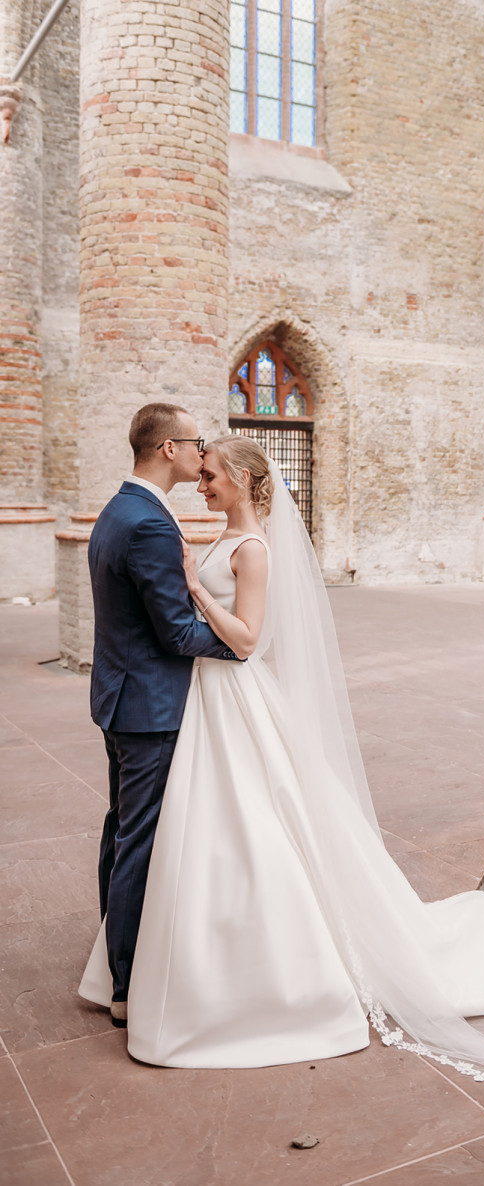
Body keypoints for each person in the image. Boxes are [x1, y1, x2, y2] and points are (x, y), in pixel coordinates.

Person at [80, 436, 484, 1105]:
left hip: (232, 695)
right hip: (207, 706)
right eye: (200, 475)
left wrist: (191, 593)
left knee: (253, 828)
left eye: (208, 476)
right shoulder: (217, 540)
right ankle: (191, 965)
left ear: (239, 478)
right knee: (210, 831)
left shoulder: (254, 550)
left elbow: (247, 641)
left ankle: (275, 981)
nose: (200, 485)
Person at [86, 404, 240, 1029]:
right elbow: (178, 633)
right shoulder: (149, 523)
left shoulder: (119, 508)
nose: (200, 454)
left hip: (120, 697)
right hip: (150, 706)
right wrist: (239, 644)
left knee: (121, 830)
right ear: (170, 448)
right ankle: (126, 985)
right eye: (195, 443)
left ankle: (113, 964)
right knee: (139, 843)